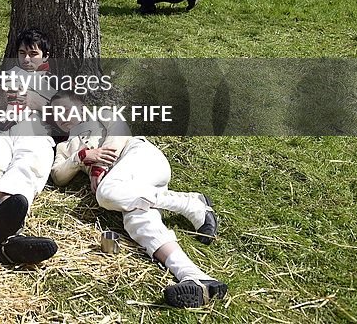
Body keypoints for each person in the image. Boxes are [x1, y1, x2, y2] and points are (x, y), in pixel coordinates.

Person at [49, 93, 225, 309]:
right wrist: (82, 157)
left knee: (106, 194)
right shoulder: (64, 148)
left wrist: (99, 166)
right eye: (56, 114)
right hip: (133, 191)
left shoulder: (101, 115)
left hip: (141, 158)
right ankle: (195, 278)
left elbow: (119, 129)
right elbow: (58, 176)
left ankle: (189, 203)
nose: (62, 116)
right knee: (138, 222)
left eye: (66, 109)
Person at [0, 28, 60, 266]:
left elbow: (62, 117)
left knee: (28, 165)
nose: (27, 59)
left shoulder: (54, 83)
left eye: (33, 54)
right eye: (22, 53)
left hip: (34, 131)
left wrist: (37, 102)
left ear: (45, 56)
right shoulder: (7, 75)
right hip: (4, 128)